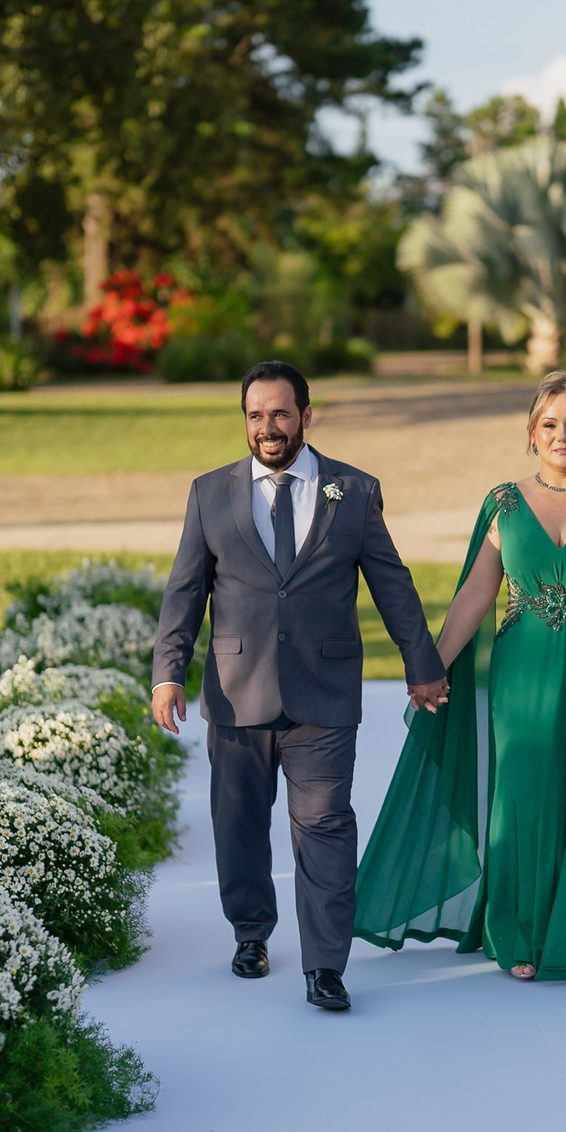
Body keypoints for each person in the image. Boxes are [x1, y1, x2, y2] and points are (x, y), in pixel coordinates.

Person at [353, 371, 566, 988]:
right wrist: (431, 664)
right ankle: (524, 934)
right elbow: (475, 594)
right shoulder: (504, 503)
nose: (563, 435)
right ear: (532, 433)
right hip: (524, 677)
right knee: (525, 797)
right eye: (550, 424)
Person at [150, 361, 446, 1013]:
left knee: (325, 826)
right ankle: (251, 932)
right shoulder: (210, 493)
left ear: (307, 416)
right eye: (256, 415)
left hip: (325, 693)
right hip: (236, 691)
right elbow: (184, 591)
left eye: (280, 413)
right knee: (238, 824)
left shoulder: (354, 491)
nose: (268, 427)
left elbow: (392, 583)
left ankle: (326, 966)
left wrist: (421, 664)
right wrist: (168, 672)